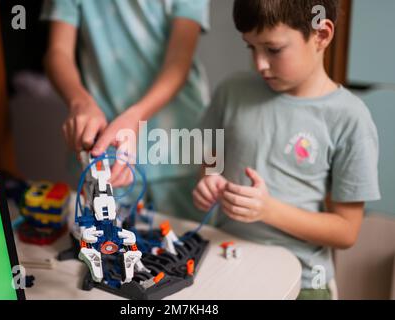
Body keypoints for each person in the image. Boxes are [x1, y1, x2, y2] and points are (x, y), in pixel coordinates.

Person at [193, 0, 380, 300]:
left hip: (302, 281)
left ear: (321, 34)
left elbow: (346, 231)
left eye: (273, 49)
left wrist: (268, 210)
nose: (259, 64)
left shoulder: (349, 118)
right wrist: (209, 177)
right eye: (250, 48)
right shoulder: (232, 91)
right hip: (226, 264)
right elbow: (209, 151)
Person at [41, 0, 210, 220]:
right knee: (105, 241)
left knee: (193, 245)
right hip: (107, 149)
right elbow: (57, 52)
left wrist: (136, 116)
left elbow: (179, 60)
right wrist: (80, 103)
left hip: (178, 144)